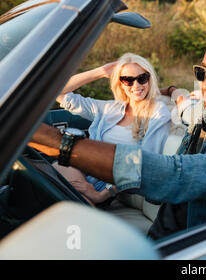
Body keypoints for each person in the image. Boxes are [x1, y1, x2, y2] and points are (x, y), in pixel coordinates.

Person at [30, 24, 206, 240]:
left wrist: (58, 143)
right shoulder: (204, 118)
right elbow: (185, 107)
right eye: (202, 72)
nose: (205, 83)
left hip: (197, 250)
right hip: (160, 239)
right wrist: (172, 92)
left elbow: (177, 176)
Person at [53, 53, 171, 205]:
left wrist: (104, 193)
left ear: (150, 79)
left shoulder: (157, 111)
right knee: (49, 176)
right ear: (120, 83)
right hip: (84, 168)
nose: (136, 86)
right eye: (127, 80)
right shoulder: (110, 108)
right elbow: (58, 92)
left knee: (67, 203)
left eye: (142, 78)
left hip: (105, 183)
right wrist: (100, 72)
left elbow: (147, 161)